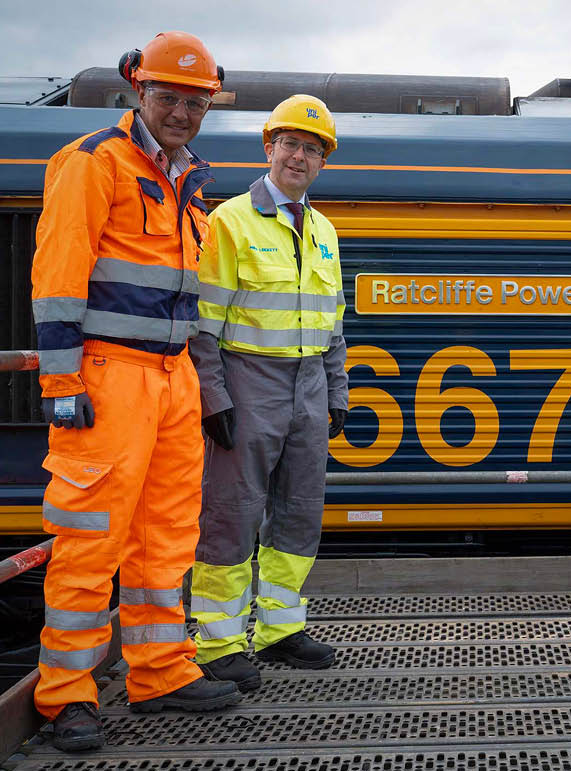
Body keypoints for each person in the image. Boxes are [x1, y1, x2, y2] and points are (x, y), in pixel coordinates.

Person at [30, 31, 241, 752]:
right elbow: (59, 273)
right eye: (168, 97)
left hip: (171, 376)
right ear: (136, 90)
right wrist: (60, 381)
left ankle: (158, 671)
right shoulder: (93, 163)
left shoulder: (188, 180)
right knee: (90, 539)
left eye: (195, 102)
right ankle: (67, 694)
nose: (181, 112)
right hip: (109, 376)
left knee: (166, 535)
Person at [188, 94, 347, 693]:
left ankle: (279, 629)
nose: (300, 157)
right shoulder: (230, 220)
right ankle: (219, 641)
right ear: (268, 149)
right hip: (248, 380)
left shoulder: (325, 229)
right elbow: (205, 323)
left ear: (322, 160)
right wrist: (214, 398)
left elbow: (333, 322)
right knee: (232, 512)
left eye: (312, 148)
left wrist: (336, 391)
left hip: (308, 383)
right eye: (291, 144)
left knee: (299, 511)